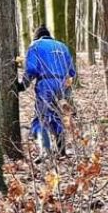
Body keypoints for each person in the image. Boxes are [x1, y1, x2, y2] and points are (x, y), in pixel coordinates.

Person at [17, 25, 76, 159]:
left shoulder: (35, 46)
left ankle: (45, 150)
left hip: (46, 84)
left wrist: (23, 85)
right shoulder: (62, 46)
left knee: (41, 118)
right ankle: (61, 150)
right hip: (61, 85)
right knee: (56, 116)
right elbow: (72, 71)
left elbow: (31, 69)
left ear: (36, 36)